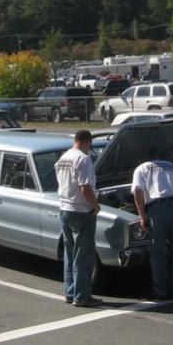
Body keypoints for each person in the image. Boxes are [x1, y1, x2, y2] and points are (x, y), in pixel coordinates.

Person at [132, 156, 173, 301]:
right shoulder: (172, 166)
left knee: (158, 252)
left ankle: (161, 291)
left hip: (157, 208)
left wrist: (142, 216)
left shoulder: (142, 167)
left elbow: (138, 192)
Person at [55, 129, 101, 308]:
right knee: (83, 256)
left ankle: (70, 292)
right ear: (87, 142)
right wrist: (96, 206)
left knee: (70, 253)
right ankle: (82, 296)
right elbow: (85, 188)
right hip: (81, 211)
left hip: (64, 209)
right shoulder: (83, 159)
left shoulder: (63, 158)